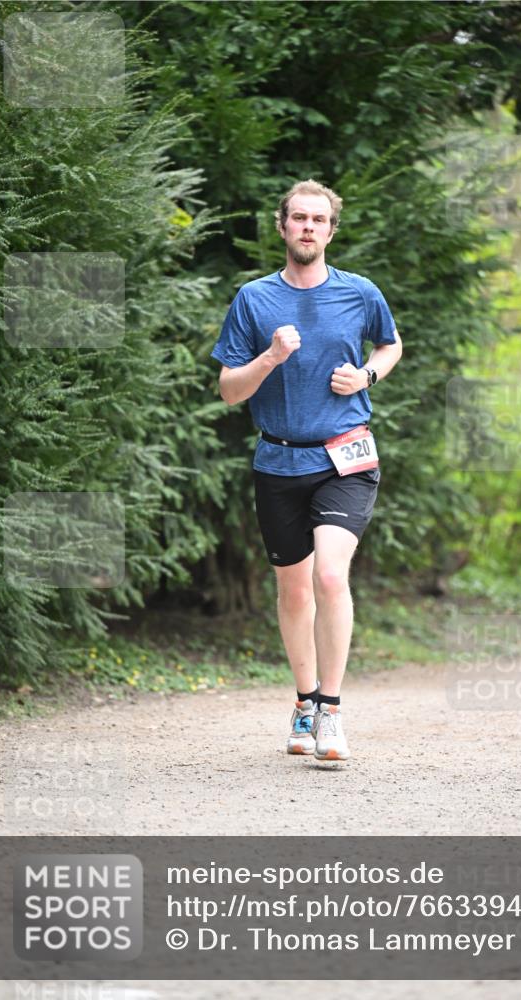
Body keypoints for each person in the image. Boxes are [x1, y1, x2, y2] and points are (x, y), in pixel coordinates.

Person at [211, 179, 402, 761]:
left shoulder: (359, 292)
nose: (309, 228)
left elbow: (390, 345)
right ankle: (303, 701)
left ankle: (333, 713)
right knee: (294, 591)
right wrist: (270, 356)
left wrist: (366, 376)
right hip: (278, 459)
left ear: (332, 230)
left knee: (328, 577)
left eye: (319, 220)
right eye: (299, 218)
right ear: (283, 226)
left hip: (345, 454)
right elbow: (227, 391)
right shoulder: (253, 299)